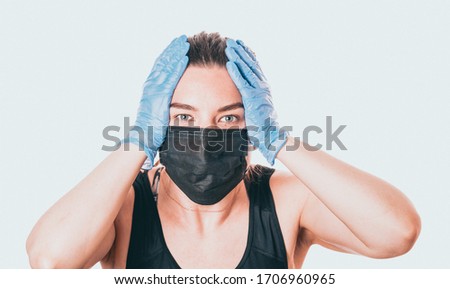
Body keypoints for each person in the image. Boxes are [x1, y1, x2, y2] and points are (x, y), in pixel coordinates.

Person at [26, 32, 421, 269]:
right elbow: (49, 261)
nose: (206, 135)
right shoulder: (123, 207)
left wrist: (279, 141)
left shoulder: (286, 202)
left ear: (252, 125)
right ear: (159, 122)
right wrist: (137, 141)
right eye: (183, 118)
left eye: (229, 118)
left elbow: (396, 233)